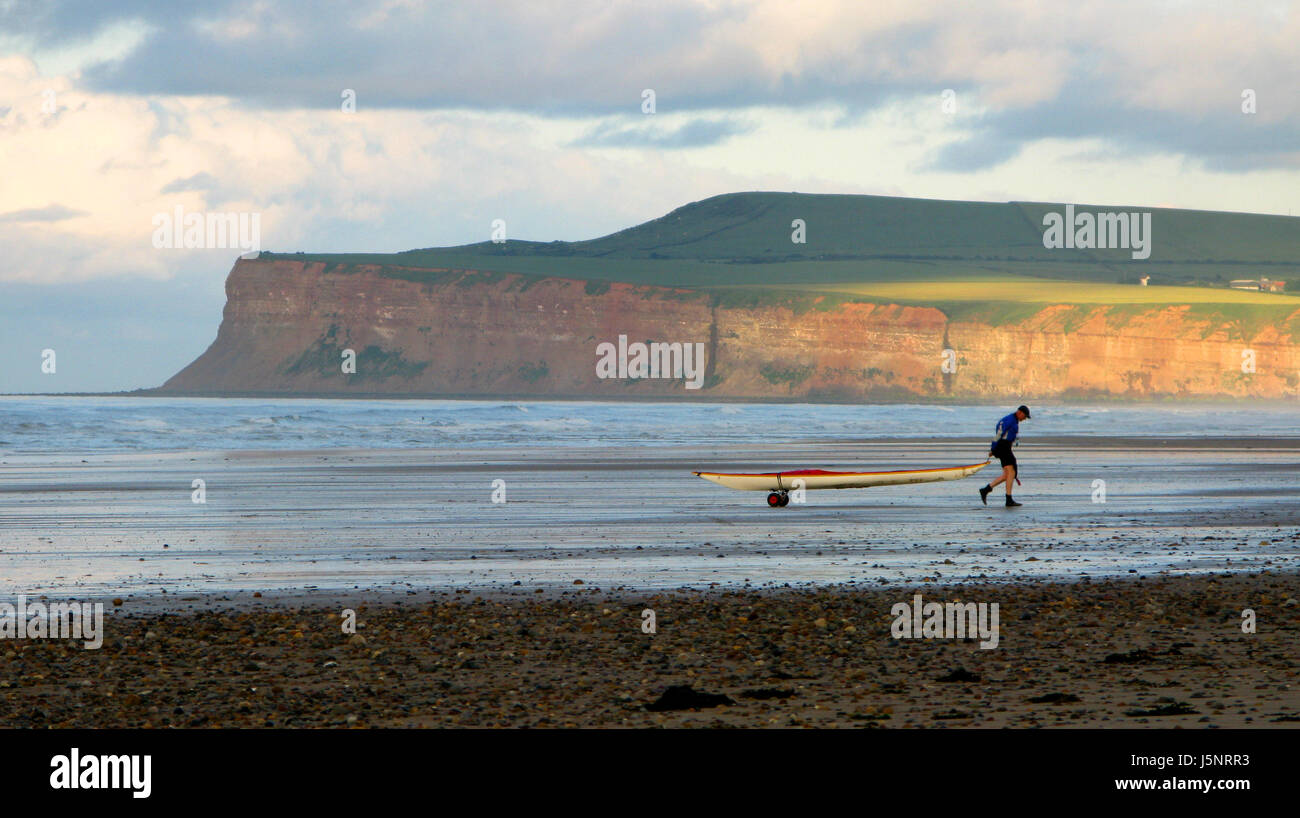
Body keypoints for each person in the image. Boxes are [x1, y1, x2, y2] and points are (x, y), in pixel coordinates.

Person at [980, 405, 1030, 507]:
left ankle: (986, 490)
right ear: (1019, 412)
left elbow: (1010, 434)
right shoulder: (1010, 420)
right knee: (1011, 472)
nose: (1024, 419)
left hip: (1005, 447)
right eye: (1024, 416)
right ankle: (1008, 499)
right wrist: (993, 448)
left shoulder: (1014, 420)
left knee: (1007, 475)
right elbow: (999, 433)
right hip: (1002, 447)